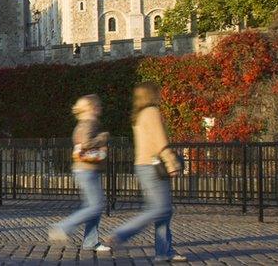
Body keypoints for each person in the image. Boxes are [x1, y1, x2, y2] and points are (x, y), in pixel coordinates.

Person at [109, 82, 187, 263]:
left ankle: (164, 251)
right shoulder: (152, 112)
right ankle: (123, 233)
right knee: (161, 209)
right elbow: (160, 141)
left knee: (163, 211)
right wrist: (171, 162)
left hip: (143, 165)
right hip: (154, 166)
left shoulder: (138, 116)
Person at [49, 95, 111, 252]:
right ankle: (63, 226)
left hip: (86, 169)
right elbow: (86, 144)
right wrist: (102, 138)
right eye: (97, 106)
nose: (100, 108)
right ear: (91, 108)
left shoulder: (83, 124)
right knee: (96, 206)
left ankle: (90, 242)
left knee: (92, 206)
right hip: (87, 169)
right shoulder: (88, 124)